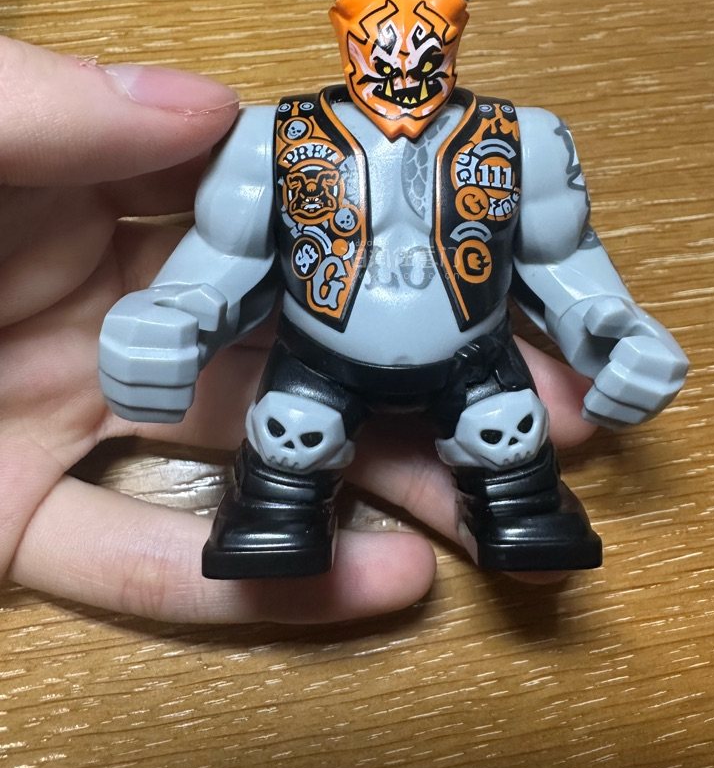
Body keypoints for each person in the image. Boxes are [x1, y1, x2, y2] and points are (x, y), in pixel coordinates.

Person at [0, 35, 597, 624]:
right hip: (318, 360)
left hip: (478, 359)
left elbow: (559, 256)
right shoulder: (271, 134)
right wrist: (171, 310)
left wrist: (609, 326)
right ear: (349, 38)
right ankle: (279, 522)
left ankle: (518, 515)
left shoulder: (522, 136)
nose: (404, 67)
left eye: (425, 43)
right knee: (290, 450)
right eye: (384, 45)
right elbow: (226, 250)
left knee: (508, 444)